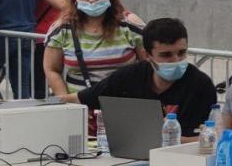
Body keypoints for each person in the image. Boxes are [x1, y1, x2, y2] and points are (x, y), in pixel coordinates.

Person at [63, 17, 217, 140]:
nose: (176, 60)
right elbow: (81, 98)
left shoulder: (201, 85)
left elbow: (209, 138)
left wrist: (163, 138)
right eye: (166, 55)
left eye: (181, 53)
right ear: (147, 55)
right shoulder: (128, 77)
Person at [44, 0, 141, 99]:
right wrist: (67, 102)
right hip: (81, 110)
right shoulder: (62, 29)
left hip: (124, 109)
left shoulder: (130, 25)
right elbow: (52, 69)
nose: (91, 0)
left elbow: (148, 64)